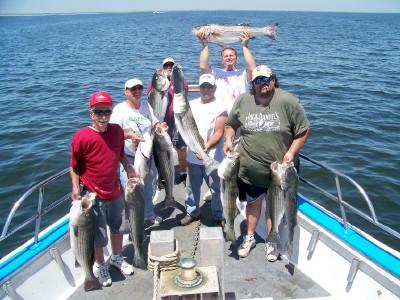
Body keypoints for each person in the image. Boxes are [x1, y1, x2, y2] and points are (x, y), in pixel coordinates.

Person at [224, 65, 311, 260]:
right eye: (257, 81)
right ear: (252, 84)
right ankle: (249, 237)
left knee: (274, 205)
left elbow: (303, 131)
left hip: (279, 171)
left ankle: (272, 241)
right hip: (249, 168)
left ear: (273, 80)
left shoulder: (289, 101)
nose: (262, 83)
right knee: (253, 204)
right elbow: (231, 124)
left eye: (265, 79)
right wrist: (229, 139)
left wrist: (291, 153)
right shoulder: (243, 100)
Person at [70, 91, 135, 287]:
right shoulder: (81, 137)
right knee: (97, 236)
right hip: (93, 195)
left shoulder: (117, 131)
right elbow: (74, 166)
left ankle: (116, 257)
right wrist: (75, 187)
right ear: (91, 113)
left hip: (116, 190)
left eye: (107, 112)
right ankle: (100, 265)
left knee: (119, 228)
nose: (103, 116)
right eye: (99, 112)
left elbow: (121, 154)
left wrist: (129, 168)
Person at [110, 78, 166, 225]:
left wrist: (159, 126)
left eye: (139, 88)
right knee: (132, 193)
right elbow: (112, 134)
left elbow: (154, 122)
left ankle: (148, 214)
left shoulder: (146, 106)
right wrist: (129, 136)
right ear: (125, 92)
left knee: (148, 187)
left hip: (148, 155)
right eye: (132, 89)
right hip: (129, 158)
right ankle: (132, 223)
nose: (137, 91)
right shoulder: (119, 110)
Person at [180, 73, 227, 226]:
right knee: (192, 187)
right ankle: (192, 212)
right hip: (192, 156)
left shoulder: (220, 106)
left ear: (215, 88)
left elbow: (219, 132)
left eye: (209, 86)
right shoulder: (190, 105)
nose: (206, 89)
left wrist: (206, 148)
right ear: (199, 88)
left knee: (216, 188)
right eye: (203, 86)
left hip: (213, 156)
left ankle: (218, 215)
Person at [147, 57, 189, 185]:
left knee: (181, 147)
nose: (169, 67)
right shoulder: (156, 82)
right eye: (166, 66)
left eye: (171, 65)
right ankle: (161, 175)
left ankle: (183, 172)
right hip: (160, 123)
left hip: (176, 121)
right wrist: (158, 79)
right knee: (159, 150)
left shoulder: (180, 81)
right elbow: (150, 96)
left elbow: (183, 92)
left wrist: (172, 80)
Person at [196, 31, 257, 113]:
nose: (229, 58)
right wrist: (205, 45)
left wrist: (245, 46)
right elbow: (203, 66)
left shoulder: (243, 73)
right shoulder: (215, 73)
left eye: (231, 55)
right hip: (220, 114)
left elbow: (253, 68)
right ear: (222, 60)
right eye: (226, 56)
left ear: (236, 58)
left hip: (240, 114)